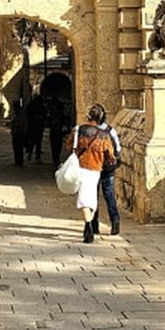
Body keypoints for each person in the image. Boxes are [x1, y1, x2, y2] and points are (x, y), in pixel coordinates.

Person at [72, 105, 116, 243]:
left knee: (84, 198)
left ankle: (88, 226)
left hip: (82, 167)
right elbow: (111, 155)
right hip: (96, 169)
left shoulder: (79, 130)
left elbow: (70, 146)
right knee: (91, 198)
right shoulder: (104, 135)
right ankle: (89, 224)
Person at [90, 104, 121, 236]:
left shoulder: (87, 131)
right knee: (109, 194)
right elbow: (118, 148)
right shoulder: (110, 130)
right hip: (108, 167)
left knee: (93, 196)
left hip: (92, 166)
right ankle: (115, 221)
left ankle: (94, 225)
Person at [46, 94, 67, 167]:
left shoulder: (56, 115)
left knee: (55, 145)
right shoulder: (59, 115)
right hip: (57, 130)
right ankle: (56, 158)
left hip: (56, 129)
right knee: (57, 145)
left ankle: (55, 158)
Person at [25, 94, 46, 162]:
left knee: (33, 141)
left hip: (33, 126)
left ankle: (30, 155)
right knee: (37, 142)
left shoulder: (31, 105)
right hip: (36, 126)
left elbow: (26, 114)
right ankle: (36, 156)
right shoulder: (40, 106)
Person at [9, 98, 28, 166]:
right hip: (15, 133)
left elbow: (23, 124)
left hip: (19, 133)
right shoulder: (16, 114)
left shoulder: (21, 114)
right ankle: (17, 161)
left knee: (19, 147)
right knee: (16, 148)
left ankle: (19, 161)